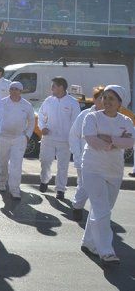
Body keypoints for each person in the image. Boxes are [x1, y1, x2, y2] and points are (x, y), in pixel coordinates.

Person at [80, 85, 134, 266]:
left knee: (102, 209)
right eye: (105, 97)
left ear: (120, 103)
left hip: (114, 170)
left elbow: (130, 142)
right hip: (92, 168)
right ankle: (106, 251)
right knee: (102, 209)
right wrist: (116, 141)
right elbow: (91, 139)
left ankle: (88, 242)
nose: (107, 101)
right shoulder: (92, 117)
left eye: (112, 98)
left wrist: (109, 139)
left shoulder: (126, 120)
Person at [37, 76, 81, 199]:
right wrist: (43, 127)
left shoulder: (72, 102)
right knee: (45, 161)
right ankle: (44, 180)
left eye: (54, 86)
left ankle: (60, 189)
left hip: (65, 141)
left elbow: (76, 122)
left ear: (61, 87)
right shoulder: (48, 101)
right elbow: (41, 115)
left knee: (63, 166)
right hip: (48, 138)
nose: (51, 89)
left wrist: (73, 139)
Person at [68, 85, 105, 220]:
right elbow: (74, 136)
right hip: (84, 157)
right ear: (94, 99)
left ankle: (98, 214)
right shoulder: (84, 115)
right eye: (101, 98)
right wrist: (77, 155)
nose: (104, 101)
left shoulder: (110, 117)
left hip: (103, 159)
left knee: (100, 187)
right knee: (84, 185)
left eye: (106, 98)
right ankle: (77, 207)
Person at [0, 81, 34, 200]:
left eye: (16, 89)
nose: (13, 91)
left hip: (19, 139)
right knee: (2, 163)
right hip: (3, 138)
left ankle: (15, 190)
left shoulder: (27, 105)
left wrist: (27, 136)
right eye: (12, 89)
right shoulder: (2, 103)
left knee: (16, 165)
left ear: (20, 91)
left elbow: (31, 121)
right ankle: (1, 183)